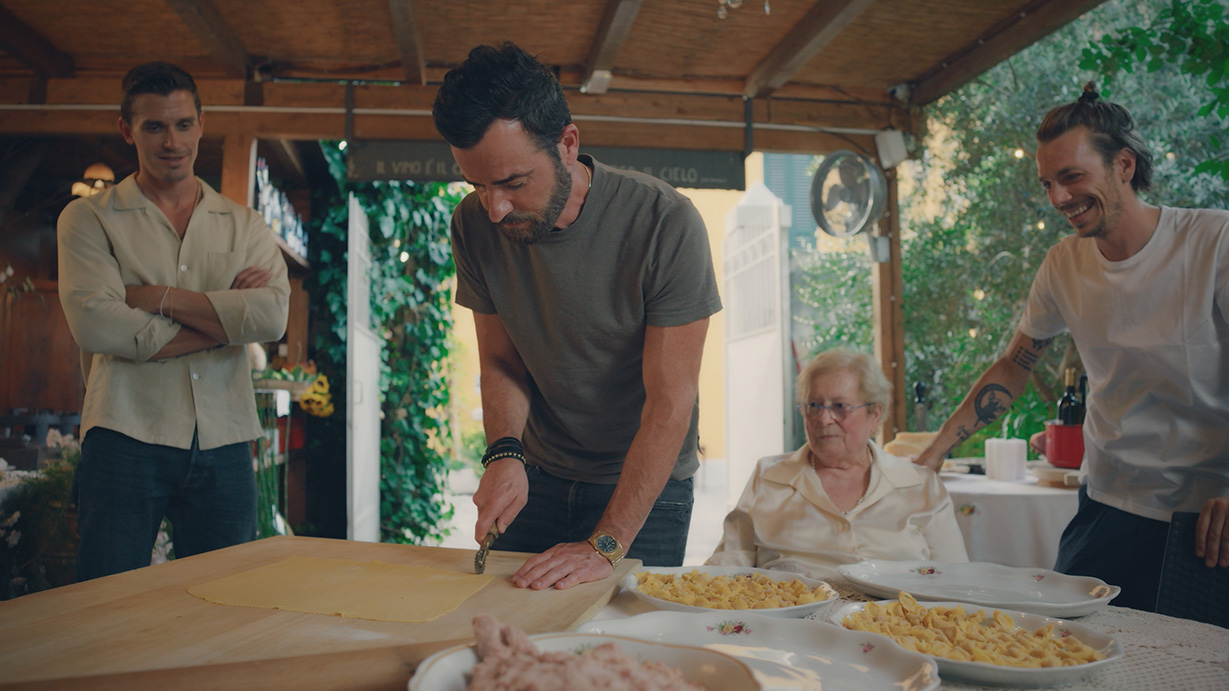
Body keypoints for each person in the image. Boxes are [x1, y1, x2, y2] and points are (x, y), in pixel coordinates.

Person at [915, 82, 1229, 610]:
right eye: (1047, 184)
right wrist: (934, 452)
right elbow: (1014, 366)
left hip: (1206, 521)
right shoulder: (1063, 264)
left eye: (1071, 177)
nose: (1058, 198)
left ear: (1124, 166)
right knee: (1070, 653)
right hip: (1105, 506)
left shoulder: (1213, 242)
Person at [432, 43, 721, 590]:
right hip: (538, 473)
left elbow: (670, 403)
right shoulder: (472, 224)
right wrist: (504, 452)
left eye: (513, 183)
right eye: (476, 185)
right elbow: (500, 360)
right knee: (524, 641)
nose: (494, 208)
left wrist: (604, 544)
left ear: (567, 144)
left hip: (646, 488)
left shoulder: (665, 222)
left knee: (624, 650)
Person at [57, 62, 290, 581]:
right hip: (123, 434)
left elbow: (271, 317)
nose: (172, 140)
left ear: (201, 123)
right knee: (107, 598)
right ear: (127, 130)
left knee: (226, 601)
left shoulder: (246, 224)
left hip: (225, 438)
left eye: (183, 124)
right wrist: (224, 315)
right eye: (154, 126)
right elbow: (98, 327)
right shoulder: (89, 219)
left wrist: (155, 297)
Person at [708, 349, 967, 579]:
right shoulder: (770, 477)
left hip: (895, 627)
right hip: (792, 626)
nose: (824, 418)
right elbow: (726, 570)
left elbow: (955, 581)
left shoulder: (921, 486)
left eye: (840, 406)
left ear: (874, 415)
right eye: (814, 405)